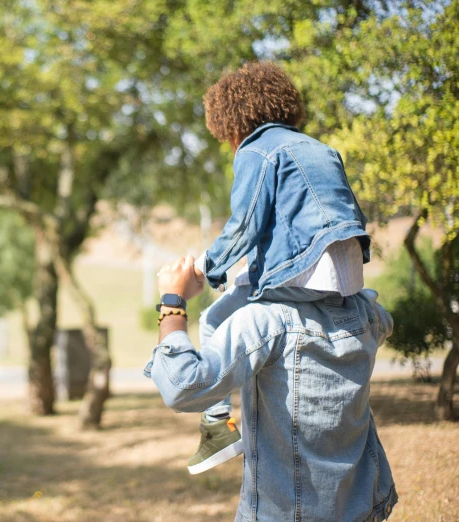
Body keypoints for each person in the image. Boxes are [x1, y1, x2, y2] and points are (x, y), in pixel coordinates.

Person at [167, 61, 372, 475]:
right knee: (240, 293)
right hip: (344, 278)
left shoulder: (257, 149)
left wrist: (207, 270)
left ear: (232, 122)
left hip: (300, 274)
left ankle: (216, 426)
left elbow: (245, 223)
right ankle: (217, 427)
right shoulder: (321, 149)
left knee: (213, 318)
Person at [145, 255, 397, 522]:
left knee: (212, 317)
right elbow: (382, 318)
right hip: (362, 507)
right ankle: (215, 420)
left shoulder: (265, 320)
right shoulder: (366, 312)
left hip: (283, 515)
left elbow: (182, 385)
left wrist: (172, 301)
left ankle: (216, 420)